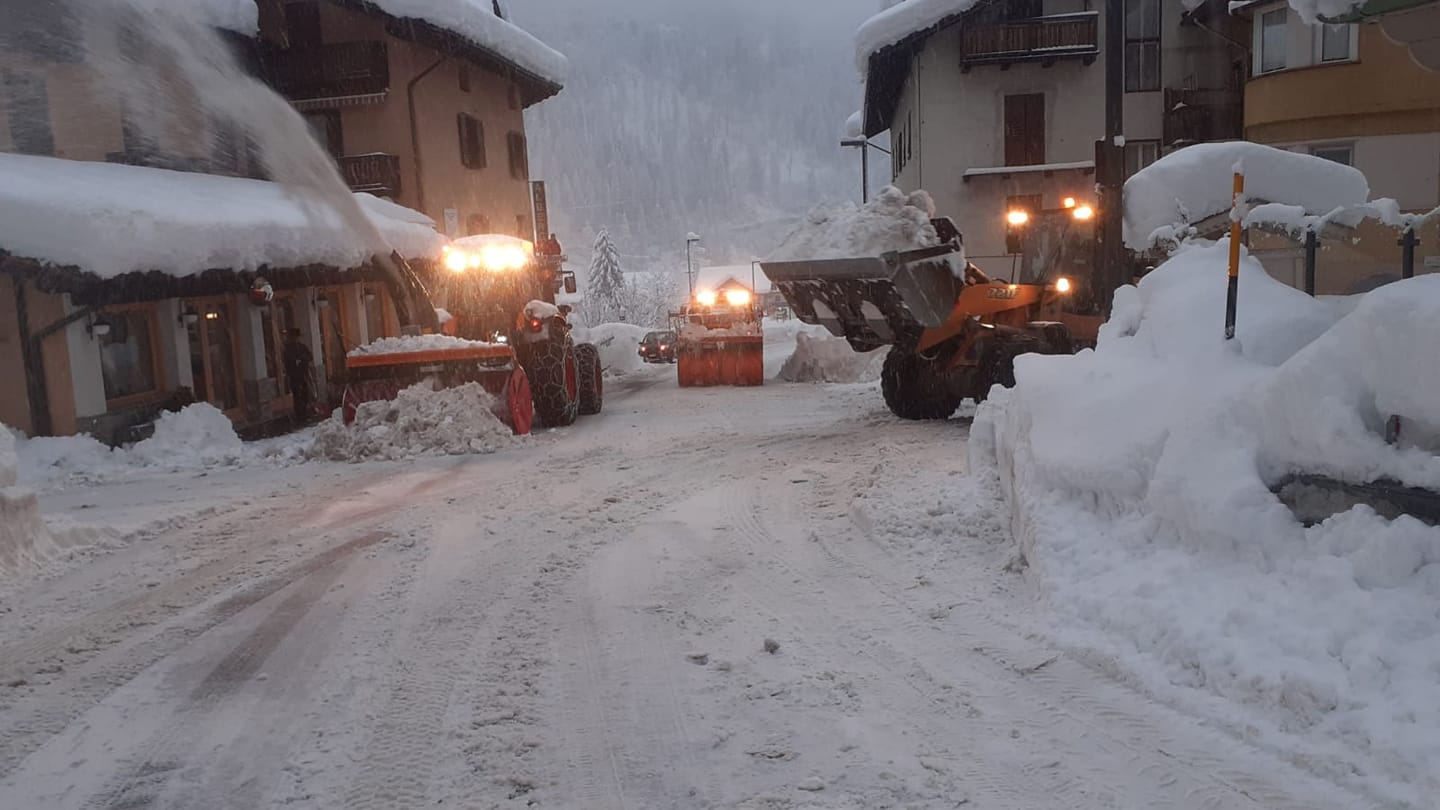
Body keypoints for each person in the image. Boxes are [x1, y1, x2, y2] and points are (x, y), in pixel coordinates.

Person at [283, 328, 315, 422]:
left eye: (296, 337)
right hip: (294, 375)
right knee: (296, 395)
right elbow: (287, 360)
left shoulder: (302, 347)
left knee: (305, 393)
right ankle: (299, 415)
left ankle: (304, 412)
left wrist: (302, 359)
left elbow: (310, 356)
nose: (295, 339)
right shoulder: (288, 348)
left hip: (303, 373)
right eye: (293, 337)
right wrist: (295, 362)